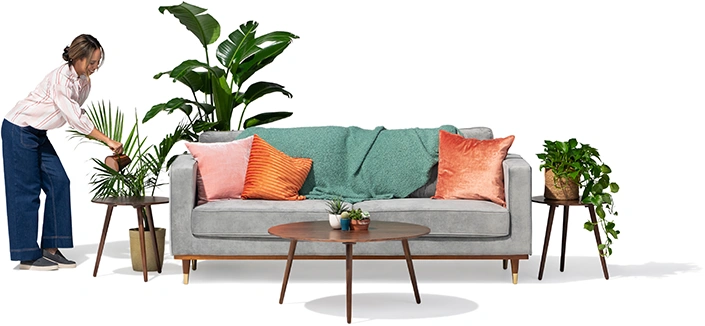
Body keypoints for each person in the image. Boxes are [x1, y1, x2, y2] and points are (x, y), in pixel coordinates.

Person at [2, 34, 123, 271]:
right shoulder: (61, 79)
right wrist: (107, 140)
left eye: (98, 61)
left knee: (59, 182)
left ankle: (51, 248)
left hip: (37, 133)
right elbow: (74, 117)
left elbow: (78, 111)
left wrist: (105, 140)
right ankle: (27, 255)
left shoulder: (84, 81)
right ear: (78, 58)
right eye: (91, 62)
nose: (95, 66)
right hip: (19, 129)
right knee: (26, 191)